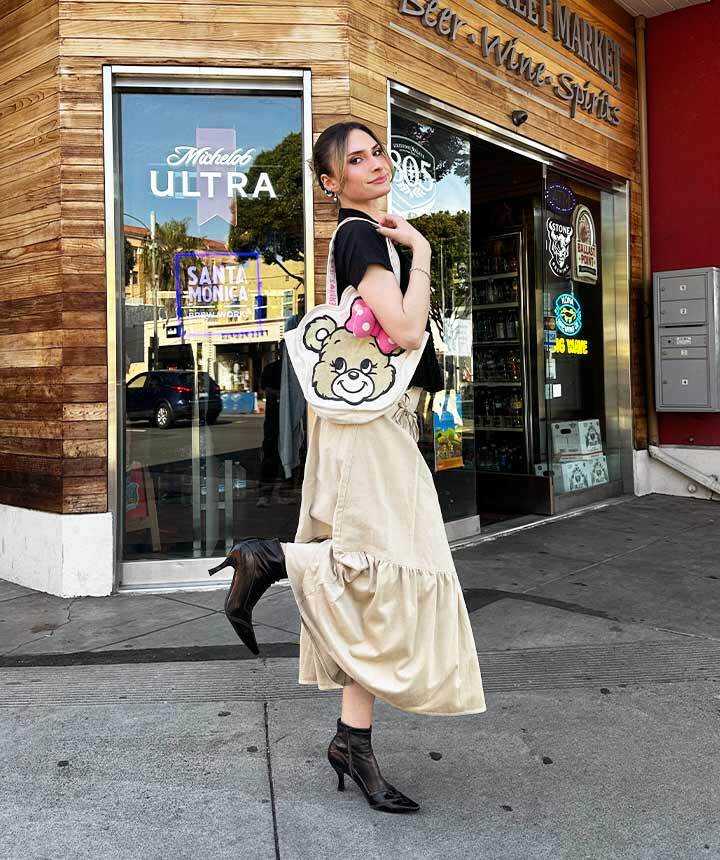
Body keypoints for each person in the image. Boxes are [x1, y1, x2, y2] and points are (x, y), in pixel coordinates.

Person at [209, 121, 486, 814]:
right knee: (381, 561)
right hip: (369, 432)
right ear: (331, 183)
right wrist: (420, 250)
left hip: (367, 424)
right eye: (354, 160)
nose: (374, 165)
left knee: (372, 580)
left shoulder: (359, 241)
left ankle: (350, 742)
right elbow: (403, 330)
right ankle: (267, 559)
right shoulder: (364, 235)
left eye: (378, 153)